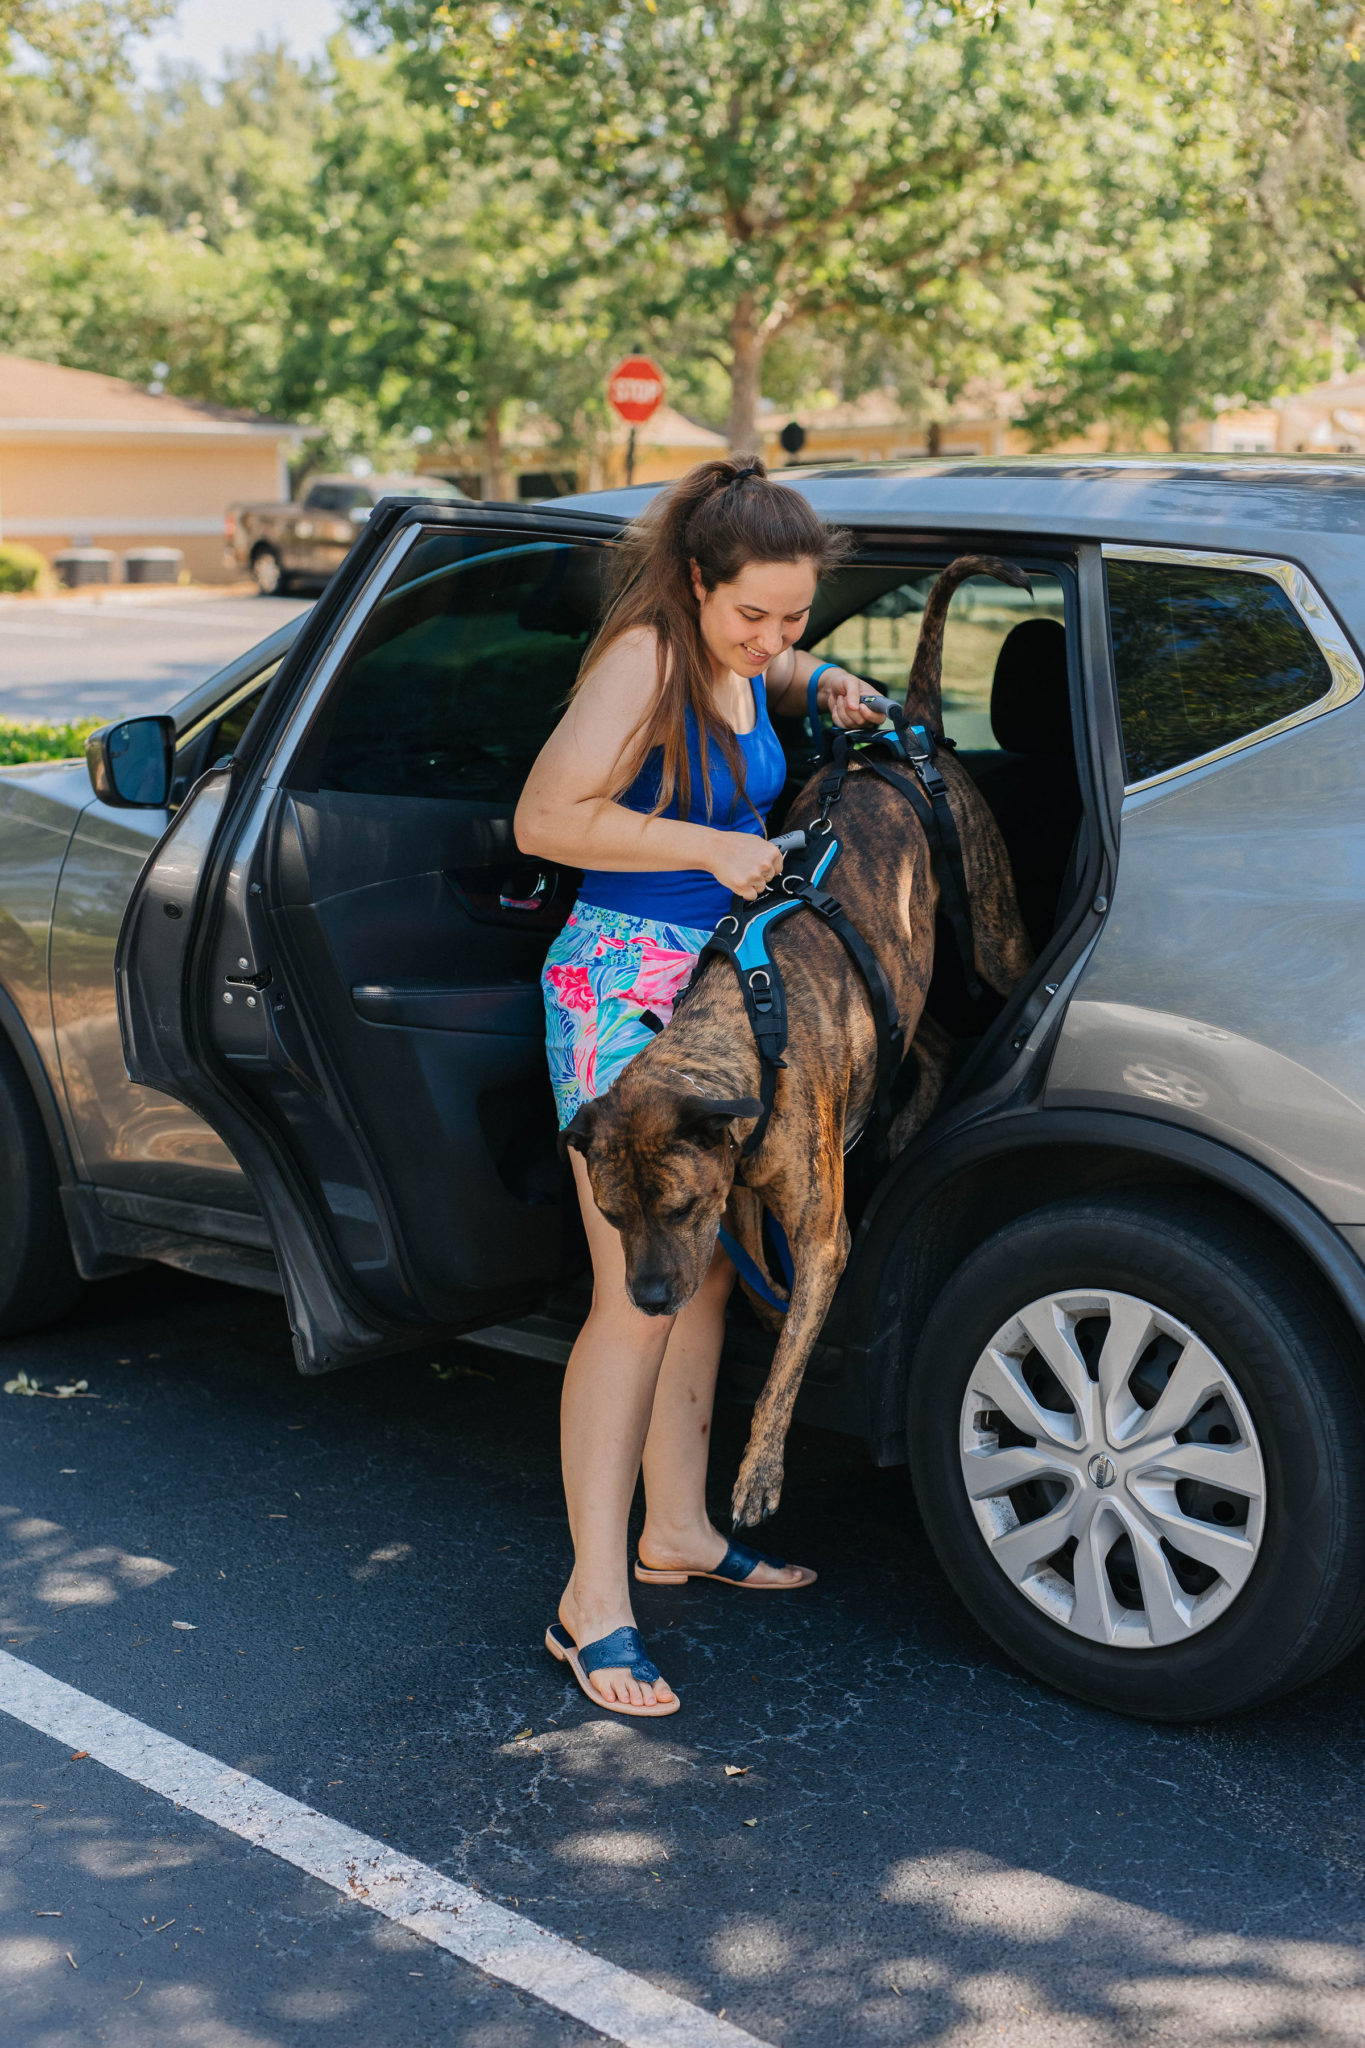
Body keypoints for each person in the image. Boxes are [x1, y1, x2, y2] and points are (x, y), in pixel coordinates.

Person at [515, 456, 880, 1717]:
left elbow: (760, 679)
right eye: (757, 616)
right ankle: (591, 1601)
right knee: (638, 1291)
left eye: (797, 616)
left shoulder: (733, 656)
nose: (775, 634)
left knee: (711, 1266)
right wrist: (707, 846)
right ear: (693, 582)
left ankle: (677, 1527)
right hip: (619, 987)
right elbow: (545, 816)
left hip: (721, 983)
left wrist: (811, 676)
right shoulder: (643, 662)